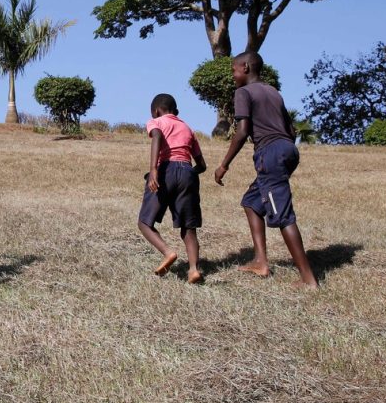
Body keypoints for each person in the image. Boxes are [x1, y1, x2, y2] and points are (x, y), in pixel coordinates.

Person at [214, 51, 319, 288]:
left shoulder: (243, 92)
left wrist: (223, 165)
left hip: (269, 153)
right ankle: (261, 261)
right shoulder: (273, 92)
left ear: (246, 68)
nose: (233, 75)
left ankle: (308, 279)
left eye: (234, 70)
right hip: (288, 150)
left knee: (282, 215)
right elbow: (291, 130)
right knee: (252, 202)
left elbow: (242, 131)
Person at [137, 93, 207, 283]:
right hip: (187, 171)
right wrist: (187, 174)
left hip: (165, 170)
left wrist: (153, 170)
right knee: (188, 227)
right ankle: (193, 269)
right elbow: (201, 165)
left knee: (144, 222)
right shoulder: (188, 128)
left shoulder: (156, 122)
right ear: (176, 111)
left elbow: (157, 136)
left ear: (156, 111)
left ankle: (168, 252)